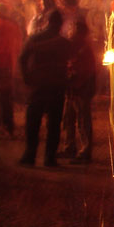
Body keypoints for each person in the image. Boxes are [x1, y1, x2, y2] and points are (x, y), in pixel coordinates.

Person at [18, 9, 73, 167]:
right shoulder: (64, 42)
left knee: (33, 122)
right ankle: (49, 158)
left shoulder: (34, 38)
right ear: (60, 24)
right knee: (54, 124)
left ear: (46, 22)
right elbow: (72, 61)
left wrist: (26, 77)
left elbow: (22, 58)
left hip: (38, 85)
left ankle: (29, 155)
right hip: (56, 86)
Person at [59, 20, 97, 163]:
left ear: (77, 30)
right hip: (73, 87)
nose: (69, 31)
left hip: (80, 87)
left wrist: (72, 76)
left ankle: (85, 151)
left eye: (72, 28)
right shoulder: (75, 45)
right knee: (69, 118)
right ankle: (69, 148)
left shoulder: (82, 47)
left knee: (82, 119)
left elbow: (83, 69)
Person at [0, 2, 22, 138]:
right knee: (5, 96)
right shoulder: (13, 26)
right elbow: (19, 45)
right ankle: (9, 126)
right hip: (8, 65)